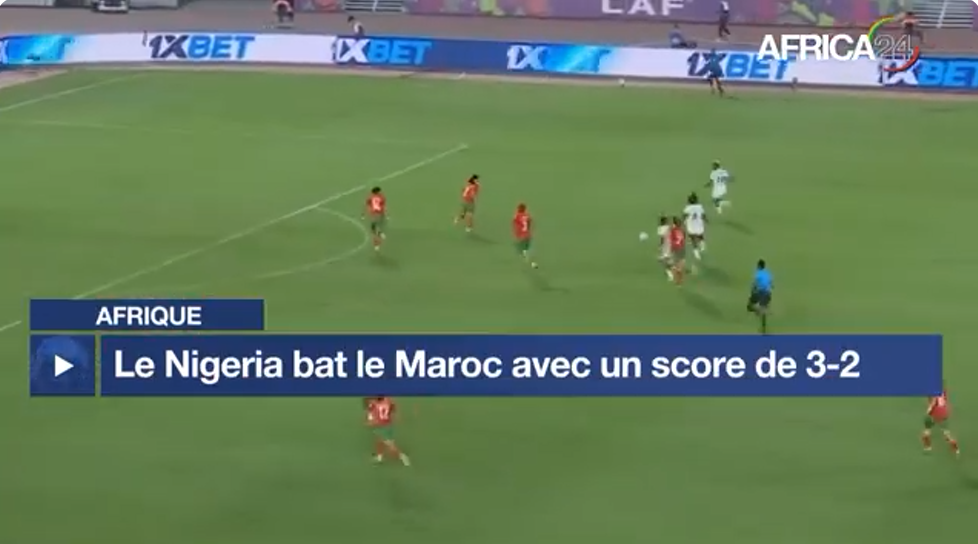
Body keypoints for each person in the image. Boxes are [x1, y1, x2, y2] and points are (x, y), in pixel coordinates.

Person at [366, 396, 411, 466]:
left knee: (390, 445)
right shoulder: (389, 400)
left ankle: (402, 456)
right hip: (388, 424)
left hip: (379, 426)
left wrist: (370, 422)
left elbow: (372, 415)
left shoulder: (374, 403)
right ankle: (379, 457)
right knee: (379, 441)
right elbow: (393, 409)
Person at [922, 387, 959, 457]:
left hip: (933, 413)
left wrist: (929, 409)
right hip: (943, 413)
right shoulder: (944, 391)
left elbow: (932, 402)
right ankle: (956, 450)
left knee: (926, 432)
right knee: (947, 434)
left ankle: (928, 447)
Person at [747, 259, 772, 334]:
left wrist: (752, 292)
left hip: (760, 293)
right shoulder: (768, 274)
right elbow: (771, 284)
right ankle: (763, 327)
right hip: (768, 294)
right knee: (763, 308)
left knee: (749, 306)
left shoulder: (758, 274)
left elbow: (754, 285)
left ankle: (758, 310)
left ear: (759, 266)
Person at [683, 193, 707, 262]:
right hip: (698, 223)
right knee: (700, 235)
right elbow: (703, 215)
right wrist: (706, 220)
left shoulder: (687, 208)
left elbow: (684, 215)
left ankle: (696, 252)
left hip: (691, 224)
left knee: (693, 238)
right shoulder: (700, 206)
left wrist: (683, 221)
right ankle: (702, 245)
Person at [363, 187, 387, 252]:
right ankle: (379, 236)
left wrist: (364, 214)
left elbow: (367, 204)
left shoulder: (370, 197)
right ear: (377, 192)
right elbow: (384, 206)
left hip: (373, 214)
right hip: (380, 214)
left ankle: (377, 243)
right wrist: (386, 214)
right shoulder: (382, 197)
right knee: (377, 227)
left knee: (374, 228)